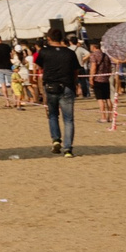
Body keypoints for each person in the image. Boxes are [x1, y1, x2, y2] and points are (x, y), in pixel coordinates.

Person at [35, 28, 85, 157]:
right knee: (68, 119)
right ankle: (68, 148)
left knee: (52, 115)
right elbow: (75, 71)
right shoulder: (69, 53)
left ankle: (56, 139)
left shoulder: (44, 52)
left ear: (49, 38)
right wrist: (73, 83)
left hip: (50, 85)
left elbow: (39, 66)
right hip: (66, 86)